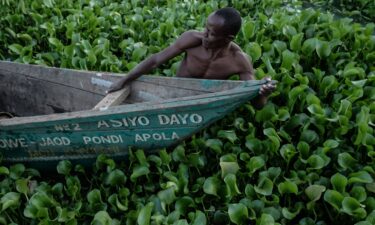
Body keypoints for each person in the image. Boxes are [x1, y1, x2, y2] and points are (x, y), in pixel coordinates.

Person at [109, 7, 275, 108]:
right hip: (176, 95)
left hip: (206, 103)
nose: (204, 35)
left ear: (228, 38)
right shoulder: (191, 39)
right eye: (205, 29)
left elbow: (257, 105)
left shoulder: (239, 61)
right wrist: (124, 80)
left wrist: (262, 94)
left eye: (211, 34)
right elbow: (155, 61)